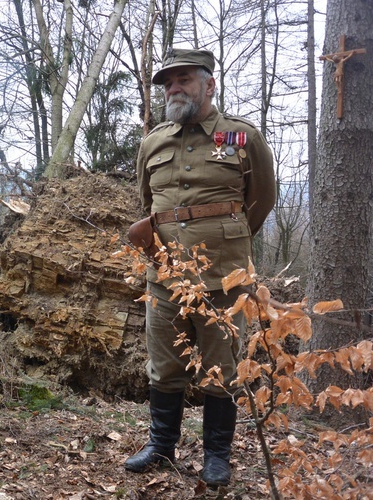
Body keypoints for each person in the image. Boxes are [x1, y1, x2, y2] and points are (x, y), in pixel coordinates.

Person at [125, 48, 276, 485]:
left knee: (221, 367)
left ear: (209, 85)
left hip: (222, 278)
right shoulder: (153, 142)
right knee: (164, 363)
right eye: (168, 83)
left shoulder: (240, 137)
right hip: (165, 274)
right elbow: (147, 203)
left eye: (184, 79)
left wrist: (224, 241)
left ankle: (217, 456)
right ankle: (161, 445)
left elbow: (261, 199)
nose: (174, 88)